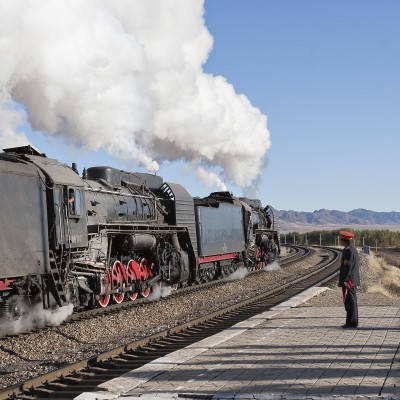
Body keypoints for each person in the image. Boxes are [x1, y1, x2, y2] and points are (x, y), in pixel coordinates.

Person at [338, 230, 360, 328]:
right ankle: (353, 321)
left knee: (349, 301)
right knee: (352, 300)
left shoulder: (348, 251)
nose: (340, 241)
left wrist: (346, 280)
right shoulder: (353, 249)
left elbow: (348, 266)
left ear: (344, 240)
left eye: (341, 239)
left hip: (349, 280)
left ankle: (351, 322)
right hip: (352, 279)